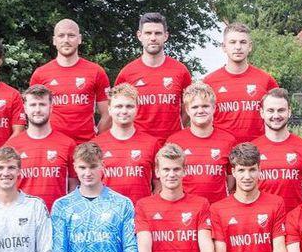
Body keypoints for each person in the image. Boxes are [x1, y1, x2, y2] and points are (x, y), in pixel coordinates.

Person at [52, 142, 143, 252]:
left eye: (93, 166)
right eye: (82, 167)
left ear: (103, 165)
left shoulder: (122, 203)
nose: (88, 173)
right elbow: (59, 249)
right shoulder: (62, 205)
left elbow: (131, 247)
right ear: (75, 167)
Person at [210, 143, 297, 252]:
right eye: (241, 170)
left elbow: (279, 247)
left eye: (252, 170)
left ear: (260, 170)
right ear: (233, 172)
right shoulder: (218, 208)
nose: (247, 176)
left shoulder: (276, 203)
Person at [136, 144, 222, 252]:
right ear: (157, 172)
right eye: (166, 169)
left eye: (176, 169)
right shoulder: (144, 205)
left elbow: (206, 246)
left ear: (184, 171)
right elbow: (144, 247)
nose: (171, 174)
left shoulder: (200, 204)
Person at [29, 19, 112, 143]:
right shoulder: (40, 74)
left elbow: (108, 113)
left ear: (79, 39)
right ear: (54, 40)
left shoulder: (96, 72)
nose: (66, 40)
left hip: (85, 146)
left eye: (71, 35)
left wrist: (95, 142)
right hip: (52, 145)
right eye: (61, 36)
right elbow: (33, 114)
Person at [115, 12, 192, 143]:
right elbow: (117, 110)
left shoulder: (180, 71)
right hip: (137, 145)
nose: (153, 38)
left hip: (172, 145)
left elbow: (188, 107)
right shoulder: (127, 74)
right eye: (148, 33)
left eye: (158, 33)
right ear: (139, 35)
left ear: (166, 36)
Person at [203, 22, 279, 145]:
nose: (238, 47)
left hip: (257, 149)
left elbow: (277, 116)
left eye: (243, 42)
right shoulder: (209, 82)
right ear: (224, 47)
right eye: (232, 42)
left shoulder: (266, 81)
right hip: (221, 149)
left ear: (250, 46)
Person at [5, 84, 78, 210]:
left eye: (42, 104)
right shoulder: (12, 146)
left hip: (56, 216)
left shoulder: (68, 145)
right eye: (33, 105)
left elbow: (73, 186)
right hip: (22, 216)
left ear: (51, 107)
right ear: (25, 108)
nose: (37, 110)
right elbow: (5, 187)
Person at [166, 82, 237, 204]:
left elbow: (231, 179)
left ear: (214, 108)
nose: (200, 111)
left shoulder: (228, 140)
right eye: (195, 107)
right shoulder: (174, 142)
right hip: (185, 209)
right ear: (187, 110)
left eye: (205, 106)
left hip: (217, 208)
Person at [251, 88, 302, 213]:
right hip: (261, 220)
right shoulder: (252, 149)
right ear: (262, 113)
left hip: (296, 220)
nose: (276, 115)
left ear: (289, 112)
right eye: (270, 110)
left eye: (281, 110)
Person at [92, 83, 160, 205]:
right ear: (109, 109)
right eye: (118, 106)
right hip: (106, 212)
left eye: (129, 106)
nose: (124, 111)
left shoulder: (152, 144)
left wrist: (147, 209)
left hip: (139, 213)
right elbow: (89, 185)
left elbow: (159, 185)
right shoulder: (95, 145)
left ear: (137, 109)